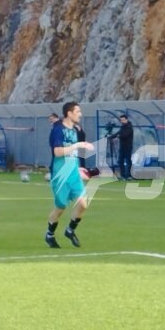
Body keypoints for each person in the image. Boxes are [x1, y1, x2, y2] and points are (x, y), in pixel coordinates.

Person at [45, 102, 95, 248]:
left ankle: (70, 230)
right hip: (61, 174)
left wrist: (79, 168)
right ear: (69, 113)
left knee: (83, 203)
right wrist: (77, 145)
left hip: (73, 173)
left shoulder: (74, 130)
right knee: (60, 208)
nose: (80, 114)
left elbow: (72, 154)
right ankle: (50, 234)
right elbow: (58, 152)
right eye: (77, 111)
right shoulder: (58, 130)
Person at [117, 114, 134, 181]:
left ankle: (129, 175)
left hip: (128, 147)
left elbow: (124, 135)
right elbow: (118, 133)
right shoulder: (122, 127)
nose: (122, 121)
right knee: (120, 160)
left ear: (126, 119)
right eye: (121, 120)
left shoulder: (129, 127)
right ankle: (123, 175)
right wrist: (111, 136)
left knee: (128, 160)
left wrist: (118, 136)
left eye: (123, 120)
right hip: (122, 146)